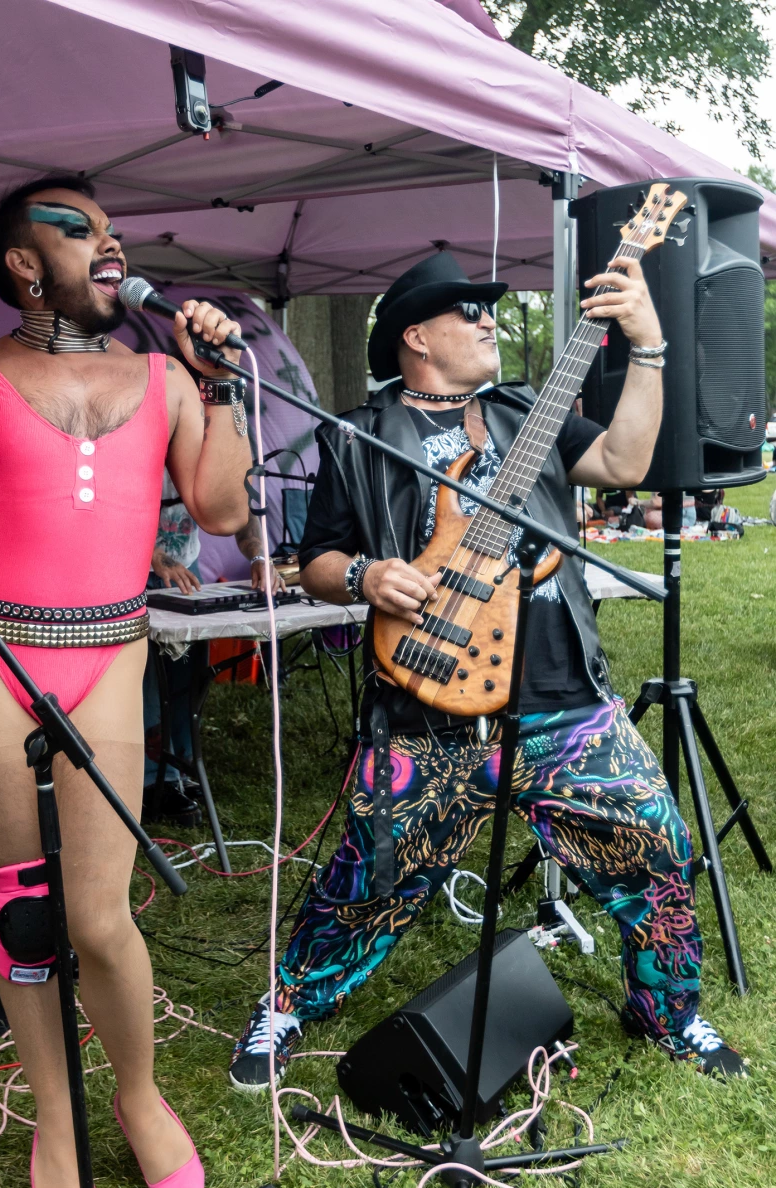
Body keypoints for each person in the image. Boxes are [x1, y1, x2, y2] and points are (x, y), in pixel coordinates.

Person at [229, 250, 745, 1091]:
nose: (485, 320)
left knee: (657, 850)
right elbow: (314, 558)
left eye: (487, 309)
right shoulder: (358, 439)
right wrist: (363, 576)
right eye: (466, 312)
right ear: (415, 336)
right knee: (367, 877)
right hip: (425, 705)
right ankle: (288, 1004)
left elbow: (623, 466)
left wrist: (646, 346)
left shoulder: (522, 414)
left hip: (563, 702)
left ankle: (669, 1012)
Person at [0, 175, 252, 1188]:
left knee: (100, 916)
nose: (108, 241)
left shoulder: (165, 374)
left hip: (110, 658)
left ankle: (136, 1097)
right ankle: (54, 1118)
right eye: (76, 228)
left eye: (110, 228)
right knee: (28, 915)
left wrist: (220, 384)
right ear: (20, 265)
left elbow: (221, 505)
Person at [143, 488, 285, 821]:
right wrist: (154, 556)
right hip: (135, 563)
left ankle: (182, 768)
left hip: (185, 565)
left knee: (188, 675)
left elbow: (236, 503)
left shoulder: (214, 437)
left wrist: (258, 556)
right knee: (147, 682)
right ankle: (151, 780)